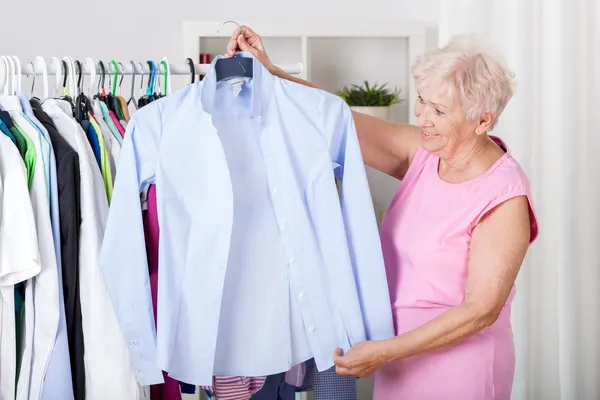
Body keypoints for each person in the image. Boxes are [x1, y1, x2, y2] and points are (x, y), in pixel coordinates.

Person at [226, 27, 539, 399]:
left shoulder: (503, 196)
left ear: (483, 121)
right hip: (397, 359)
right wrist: (272, 73)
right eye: (422, 100)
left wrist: (385, 351)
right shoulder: (423, 152)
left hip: (460, 366)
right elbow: (333, 119)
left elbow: (479, 311)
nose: (423, 117)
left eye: (439, 111)